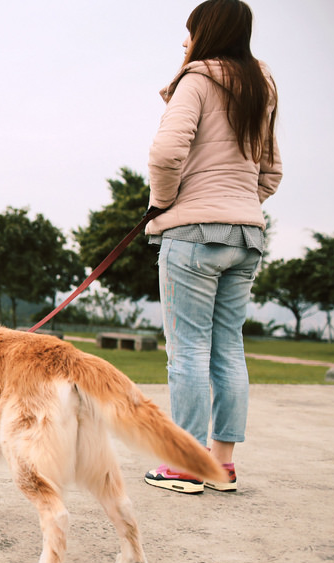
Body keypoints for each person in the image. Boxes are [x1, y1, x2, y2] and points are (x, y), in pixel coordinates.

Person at [143, 0, 282, 494]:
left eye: (191, 31)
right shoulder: (262, 88)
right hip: (247, 235)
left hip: (194, 235)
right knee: (228, 348)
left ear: (209, 33)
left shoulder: (197, 79)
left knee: (187, 351)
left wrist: (164, 204)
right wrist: (239, 203)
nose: (185, 42)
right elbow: (271, 171)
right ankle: (221, 465)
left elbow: (165, 153)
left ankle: (185, 464)